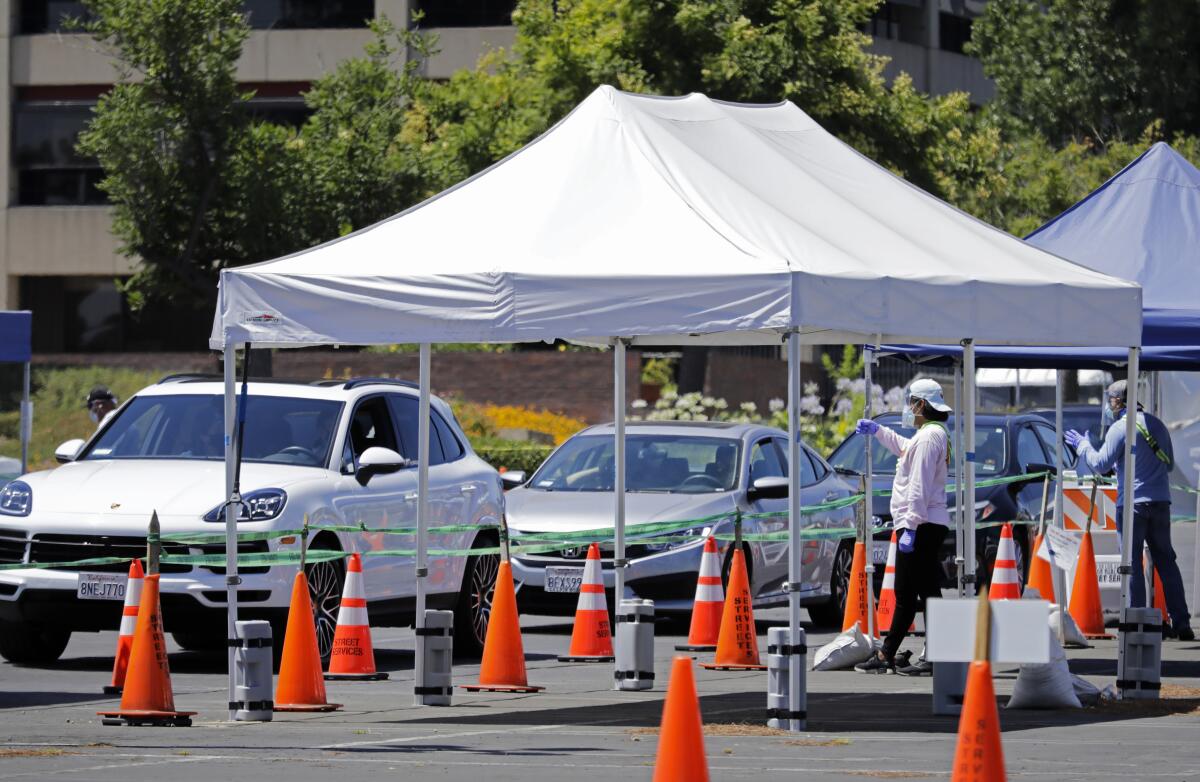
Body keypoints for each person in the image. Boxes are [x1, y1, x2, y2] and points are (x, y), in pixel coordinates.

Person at [1066, 380, 1194, 640]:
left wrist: (1083, 446)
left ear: (1118, 401)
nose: (1108, 404)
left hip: (1133, 504)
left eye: (1110, 399)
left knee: (1132, 563)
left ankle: (1138, 622)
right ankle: (1182, 622)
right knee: (1166, 562)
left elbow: (1101, 464)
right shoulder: (1157, 425)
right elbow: (1168, 466)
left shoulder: (1119, 428)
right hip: (1160, 502)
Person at [853, 378, 952, 675]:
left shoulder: (927, 437)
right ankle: (895, 653)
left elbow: (919, 486)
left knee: (911, 592)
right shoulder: (931, 434)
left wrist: (909, 526)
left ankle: (901, 654)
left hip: (920, 524)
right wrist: (879, 431)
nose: (909, 408)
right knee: (917, 591)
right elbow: (905, 448)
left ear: (921, 404)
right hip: (925, 523)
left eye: (911, 402)